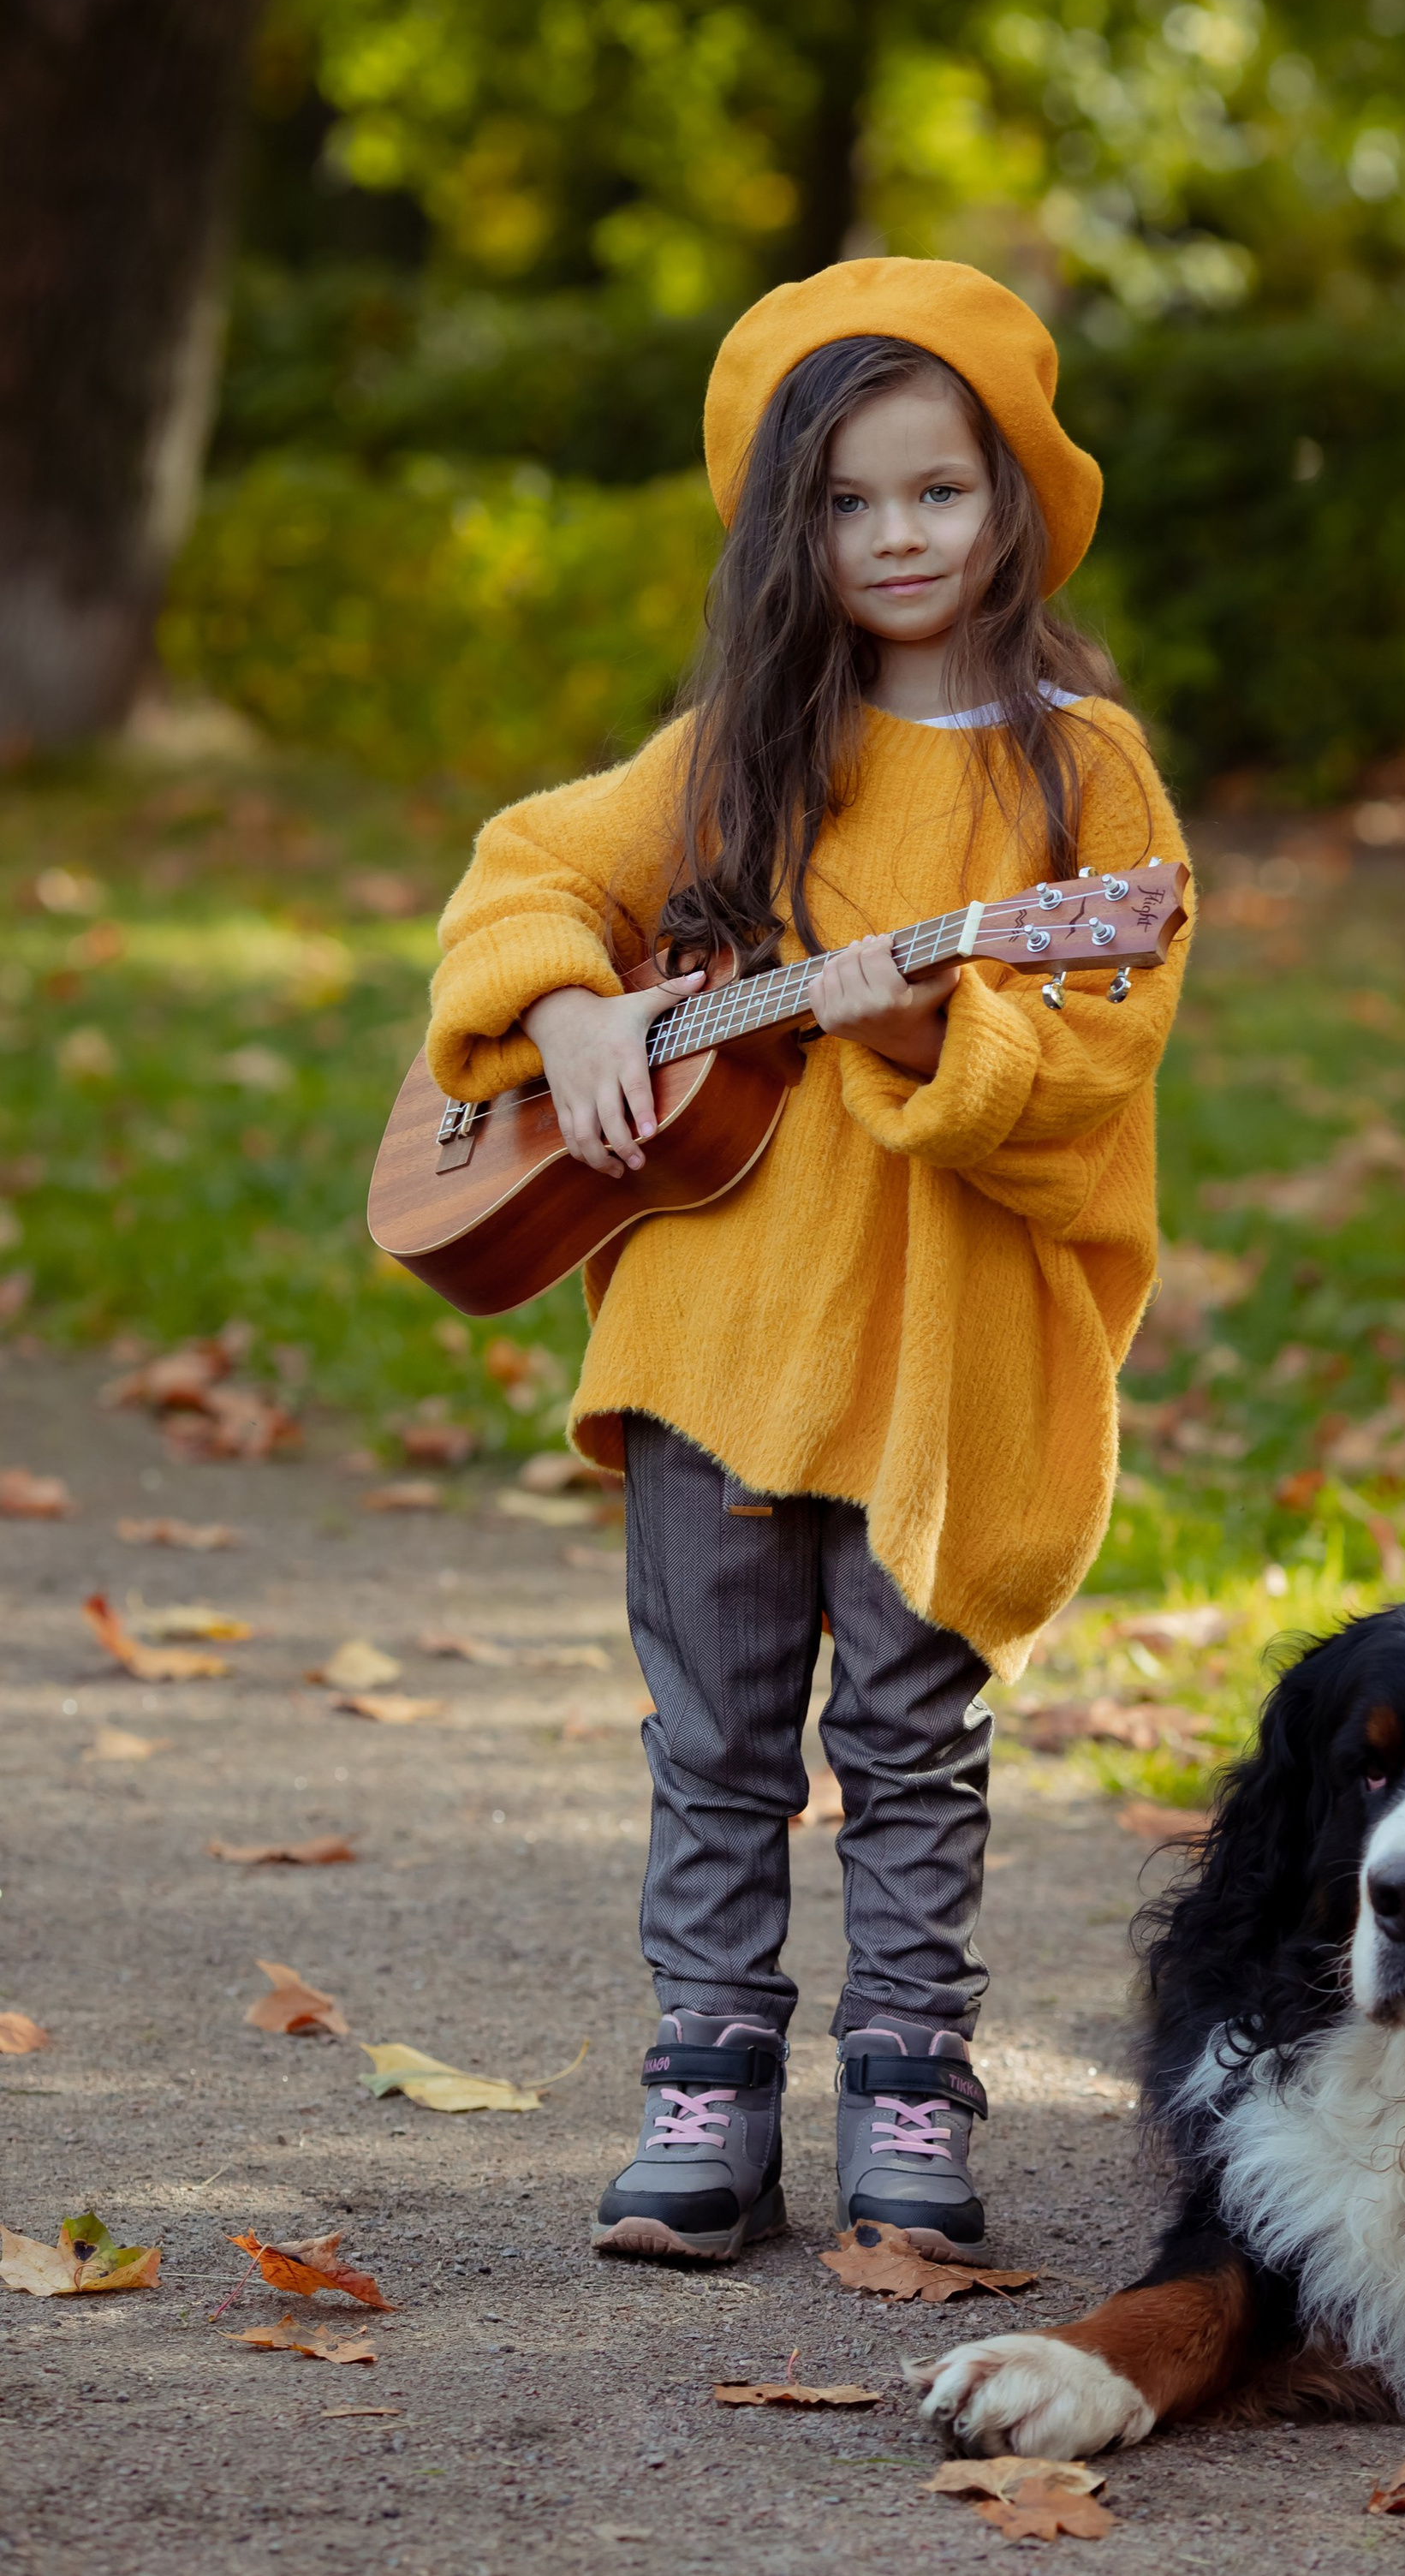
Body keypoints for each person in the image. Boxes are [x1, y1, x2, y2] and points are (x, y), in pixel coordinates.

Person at [426, 257, 1191, 2264]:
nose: (897, 537)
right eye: (847, 504)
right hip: (713, 1331)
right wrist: (577, 1015)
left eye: (935, 491)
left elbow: (1101, 1041)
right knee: (715, 1738)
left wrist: (938, 1023)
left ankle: (915, 2094)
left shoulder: (1076, 776)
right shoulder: (739, 748)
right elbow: (525, 865)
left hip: (944, 1348)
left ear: (1011, 497)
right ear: (791, 531)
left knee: (915, 1741)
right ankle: (704, 2090)